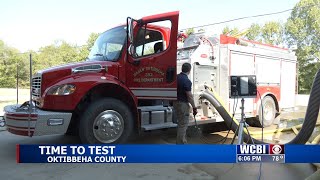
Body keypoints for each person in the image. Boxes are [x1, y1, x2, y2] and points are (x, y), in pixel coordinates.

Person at [174, 62, 198, 144]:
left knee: (180, 123)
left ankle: (180, 143)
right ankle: (181, 145)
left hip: (175, 103)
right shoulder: (186, 80)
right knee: (183, 125)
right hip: (183, 104)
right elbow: (189, 96)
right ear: (189, 70)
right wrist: (194, 107)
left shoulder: (176, 78)